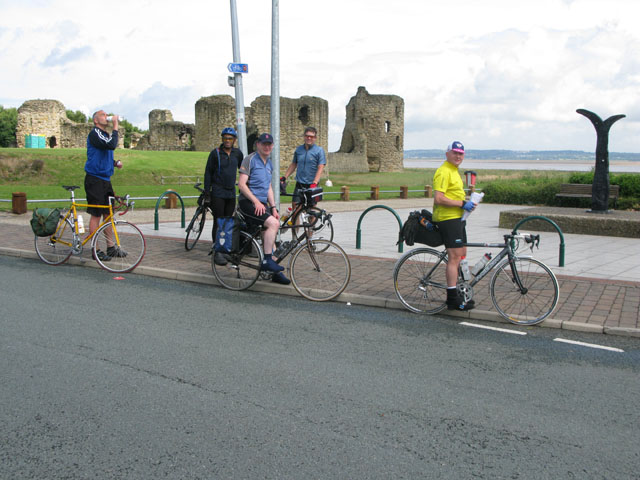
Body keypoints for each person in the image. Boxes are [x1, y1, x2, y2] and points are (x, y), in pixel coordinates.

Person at [238, 133, 290, 285]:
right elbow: (241, 185)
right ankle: (267, 262)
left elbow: (268, 187)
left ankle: (273, 272)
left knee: (272, 235)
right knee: (274, 224)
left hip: (262, 204)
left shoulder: (269, 163)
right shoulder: (250, 159)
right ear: (258, 145)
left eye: (269, 144)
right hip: (248, 202)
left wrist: (273, 207)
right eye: (264, 144)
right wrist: (256, 202)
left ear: (272, 146)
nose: (267, 147)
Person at [432, 141, 477, 311]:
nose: (458, 156)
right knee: (454, 257)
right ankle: (451, 298)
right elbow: (439, 198)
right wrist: (461, 203)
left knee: (462, 253)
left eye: (461, 154)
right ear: (447, 154)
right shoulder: (443, 171)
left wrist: (468, 203)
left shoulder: (454, 171)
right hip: (447, 218)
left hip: (457, 218)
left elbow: (454, 195)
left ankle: (459, 292)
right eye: (455, 153)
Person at [84, 110, 124, 262]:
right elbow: (112, 145)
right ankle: (95, 249)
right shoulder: (95, 133)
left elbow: (105, 153)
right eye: (102, 115)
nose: (105, 116)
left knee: (108, 214)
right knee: (96, 214)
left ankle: (111, 247)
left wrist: (114, 163)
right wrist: (115, 126)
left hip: (105, 179)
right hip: (94, 179)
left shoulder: (105, 135)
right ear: (95, 120)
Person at [204, 127, 244, 266]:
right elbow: (208, 172)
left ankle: (226, 248)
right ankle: (217, 250)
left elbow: (243, 170)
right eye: (225, 138)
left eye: (230, 139)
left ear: (234, 140)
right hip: (218, 192)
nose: (227, 141)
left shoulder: (237, 154)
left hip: (230, 192)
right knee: (218, 221)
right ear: (222, 139)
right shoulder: (215, 154)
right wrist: (207, 192)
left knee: (228, 222)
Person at [281, 126, 326, 206]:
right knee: (295, 206)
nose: (309, 138)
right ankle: (296, 218)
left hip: (311, 184)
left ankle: (311, 218)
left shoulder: (319, 150)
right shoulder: (299, 149)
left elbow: (321, 167)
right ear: (304, 137)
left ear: (315, 138)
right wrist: (285, 177)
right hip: (300, 183)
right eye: (307, 136)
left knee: (311, 208)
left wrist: (315, 182)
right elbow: (294, 164)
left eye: (311, 136)